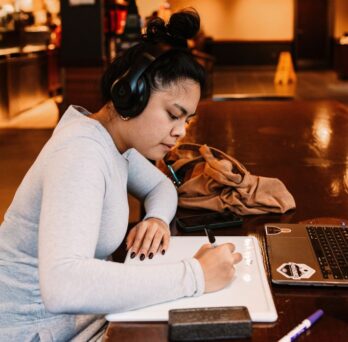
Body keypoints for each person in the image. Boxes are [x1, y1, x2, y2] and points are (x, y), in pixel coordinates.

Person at [0, 9, 242, 341]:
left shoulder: (114, 143)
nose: (179, 132)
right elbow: (62, 285)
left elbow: (160, 185)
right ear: (129, 93)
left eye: (186, 120)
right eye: (173, 114)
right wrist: (196, 274)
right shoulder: (81, 152)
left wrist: (156, 219)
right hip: (36, 330)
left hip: (77, 318)